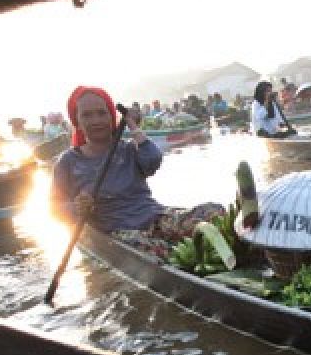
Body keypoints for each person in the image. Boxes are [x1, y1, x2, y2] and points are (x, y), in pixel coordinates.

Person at [51, 86, 223, 255]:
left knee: (213, 212)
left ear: (112, 118)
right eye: (87, 115)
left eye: (102, 113)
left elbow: (153, 160)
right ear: (77, 122)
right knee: (160, 250)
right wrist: (76, 207)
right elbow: (55, 209)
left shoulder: (128, 149)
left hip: (154, 217)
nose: (96, 121)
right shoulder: (68, 162)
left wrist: (132, 125)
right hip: (118, 231)